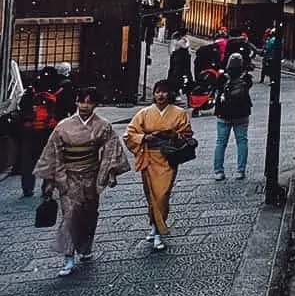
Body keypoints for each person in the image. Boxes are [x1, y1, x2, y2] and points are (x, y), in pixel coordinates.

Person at [34, 86, 130, 277]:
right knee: (70, 216)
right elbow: (52, 153)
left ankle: (85, 247)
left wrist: (109, 171)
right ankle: (68, 257)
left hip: (91, 175)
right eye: (82, 101)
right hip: (68, 176)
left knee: (89, 213)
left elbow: (111, 149)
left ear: (95, 104)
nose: (85, 105)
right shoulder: (63, 126)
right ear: (76, 102)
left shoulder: (103, 125)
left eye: (90, 102)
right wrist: (51, 180)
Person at [124, 79, 192, 251]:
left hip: (167, 157)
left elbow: (186, 133)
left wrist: (173, 135)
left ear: (170, 94)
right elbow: (129, 134)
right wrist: (144, 138)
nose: (160, 95)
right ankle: (155, 227)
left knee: (162, 194)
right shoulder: (144, 113)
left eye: (164, 92)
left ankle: (158, 230)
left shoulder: (179, 112)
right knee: (151, 194)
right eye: (157, 92)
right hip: (149, 156)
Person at [16, 66, 75, 197]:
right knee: (51, 159)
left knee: (29, 160)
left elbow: (22, 106)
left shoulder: (32, 90)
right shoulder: (60, 90)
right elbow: (70, 108)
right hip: (51, 130)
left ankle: (27, 188)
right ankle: (47, 187)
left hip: (32, 130)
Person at [213, 53, 252, 181]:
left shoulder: (222, 78)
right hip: (241, 113)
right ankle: (240, 171)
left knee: (220, 142)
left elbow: (217, 89)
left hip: (224, 113)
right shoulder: (246, 79)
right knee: (242, 141)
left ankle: (218, 171)